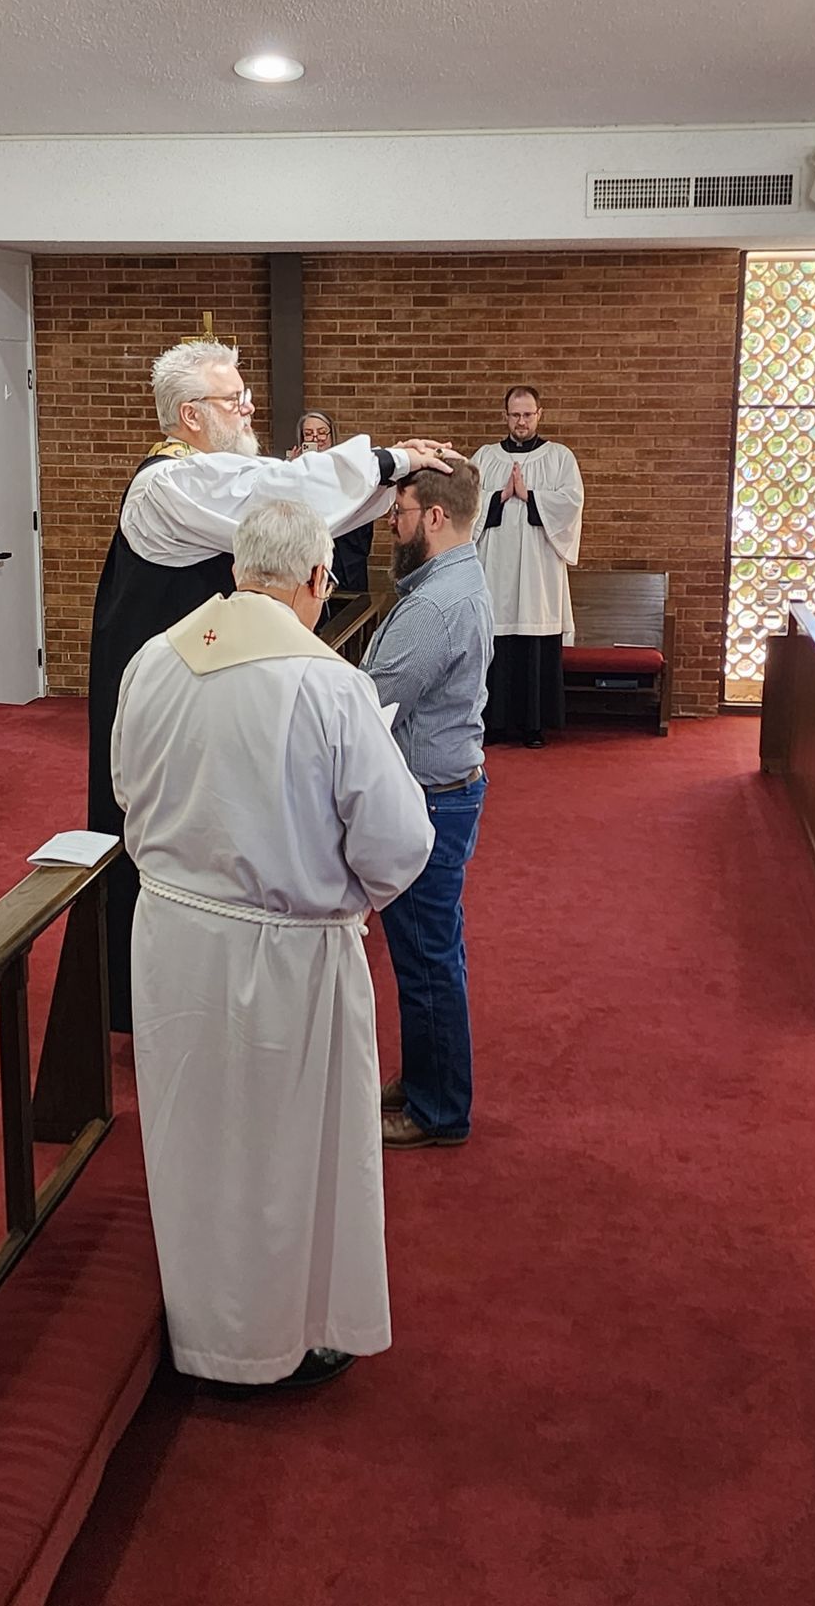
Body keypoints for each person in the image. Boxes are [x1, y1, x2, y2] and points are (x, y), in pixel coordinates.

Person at [111, 501, 435, 1388]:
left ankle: (201, 1327)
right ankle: (282, 1339)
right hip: (285, 957)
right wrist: (338, 900)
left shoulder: (156, 659)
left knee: (196, 1136)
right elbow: (400, 842)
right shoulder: (329, 683)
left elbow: (125, 790)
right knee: (288, 1150)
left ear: (236, 570)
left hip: (171, 939)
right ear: (315, 582)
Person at [86, 338, 456, 1032]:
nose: (250, 406)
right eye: (235, 398)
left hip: (211, 681)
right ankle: (140, 994)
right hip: (173, 688)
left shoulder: (214, 471)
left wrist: (383, 482)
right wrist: (387, 461)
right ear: (190, 414)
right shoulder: (165, 481)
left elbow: (292, 507)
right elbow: (273, 497)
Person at [360, 461, 493, 1149]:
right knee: (429, 952)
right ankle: (425, 1077)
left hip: (429, 801)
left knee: (426, 956)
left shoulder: (437, 604)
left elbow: (372, 703)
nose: (393, 523)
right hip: (444, 788)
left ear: (435, 518)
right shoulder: (448, 579)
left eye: (401, 511)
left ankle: (439, 1108)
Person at [472, 386, 584, 748]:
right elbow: (465, 503)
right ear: (505, 416)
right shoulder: (485, 458)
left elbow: (571, 504)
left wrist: (531, 496)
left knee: (534, 642)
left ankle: (534, 725)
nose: (521, 421)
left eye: (527, 414)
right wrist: (499, 496)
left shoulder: (559, 457)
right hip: (497, 569)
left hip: (539, 571)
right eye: (514, 415)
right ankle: (495, 723)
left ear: (540, 414)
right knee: (498, 640)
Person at [287, 410, 374, 592]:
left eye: (321, 432)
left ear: (331, 435)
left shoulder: (347, 465)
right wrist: (292, 471)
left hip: (345, 549)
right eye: (309, 434)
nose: (316, 437)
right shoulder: (293, 469)